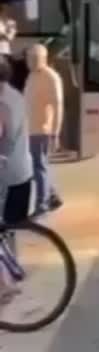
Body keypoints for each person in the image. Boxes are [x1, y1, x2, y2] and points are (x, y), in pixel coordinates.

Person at [24, 44, 64, 216]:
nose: (30, 61)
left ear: (44, 58)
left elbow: (58, 106)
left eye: (35, 58)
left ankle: (42, 206)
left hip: (42, 130)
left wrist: (56, 133)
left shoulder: (51, 77)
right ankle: (52, 196)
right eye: (29, 58)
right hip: (30, 129)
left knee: (39, 167)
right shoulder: (32, 76)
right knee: (36, 166)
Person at [0, 54, 32, 225]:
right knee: (11, 235)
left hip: (7, 180)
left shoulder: (3, 103)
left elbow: (6, 142)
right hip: (22, 175)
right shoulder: (15, 95)